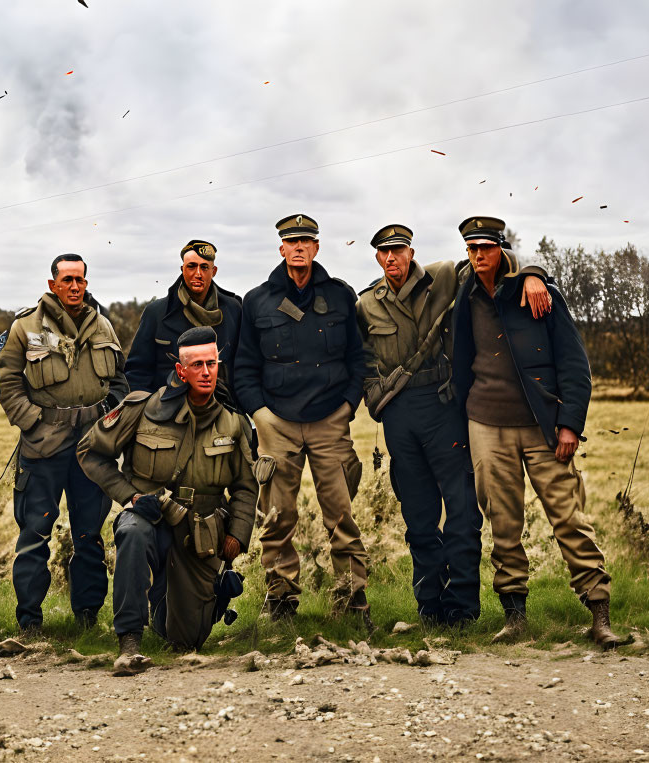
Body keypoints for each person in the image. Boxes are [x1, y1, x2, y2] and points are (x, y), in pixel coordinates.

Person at [355, 223, 551, 627]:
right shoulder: (366, 304)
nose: (391, 258)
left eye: (399, 249)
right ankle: (430, 608)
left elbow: (490, 262)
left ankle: (463, 609)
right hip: (400, 415)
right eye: (384, 252)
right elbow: (362, 358)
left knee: (462, 511)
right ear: (376, 257)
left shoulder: (444, 275)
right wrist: (377, 401)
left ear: (412, 252)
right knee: (419, 516)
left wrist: (532, 272)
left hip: (443, 408)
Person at [448, 216, 619, 648]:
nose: (478, 256)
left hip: (543, 426)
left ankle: (600, 616)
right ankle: (515, 618)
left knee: (570, 519)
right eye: (472, 249)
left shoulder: (539, 294)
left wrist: (570, 427)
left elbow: (575, 365)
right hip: (486, 423)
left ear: (501, 249)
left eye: (485, 247)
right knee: (503, 524)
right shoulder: (463, 294)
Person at [78, 326, 259, 674]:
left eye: (212, 364)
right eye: (197, 366)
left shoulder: (233, 422)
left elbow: (245, 485)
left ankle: (164, 604)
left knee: (185, 640)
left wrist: (237, 533)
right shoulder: (143, 409)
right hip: (150, 515)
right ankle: (129, 641)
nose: (206, 373)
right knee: (132, 533)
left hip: (199, 534)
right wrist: (129, 497)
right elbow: (89, 451)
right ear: (181, 371)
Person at [233, 214, 371, 624]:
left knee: (341, 514)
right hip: (278, 421)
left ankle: (351, 599)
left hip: (330, 418)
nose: (298, 247)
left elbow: (357, 360)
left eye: (306, 241)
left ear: (316, 248)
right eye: (291, 241)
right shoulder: (257, 300)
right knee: (277, 517)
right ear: (281, 249)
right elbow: (243, 367)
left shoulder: (341, 295)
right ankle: (280, 601)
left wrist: (347, 407)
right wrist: (260, 415)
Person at [0, 253, 129, 636]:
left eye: (80, 280)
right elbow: (7, 381)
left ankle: (87, 620)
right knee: (34, 534)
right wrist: (32, 422)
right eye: (67, 279)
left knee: (89, 534)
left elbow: (120, 379)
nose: (74, 286)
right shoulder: (26, 327)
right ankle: (30, 623)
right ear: (53, 282)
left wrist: (111, 419)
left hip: (92, 447)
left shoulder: (102, 325)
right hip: (43, 447)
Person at [124, 240, 243, 406]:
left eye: (204, 267)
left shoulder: (233, 309)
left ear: (214, 271)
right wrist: (149, 408)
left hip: (222, 408)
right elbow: (137, 371)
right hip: (167, 410)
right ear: (182, 269)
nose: (198, 273)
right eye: (191, 266)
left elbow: (243, 365)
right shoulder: (157, 313)